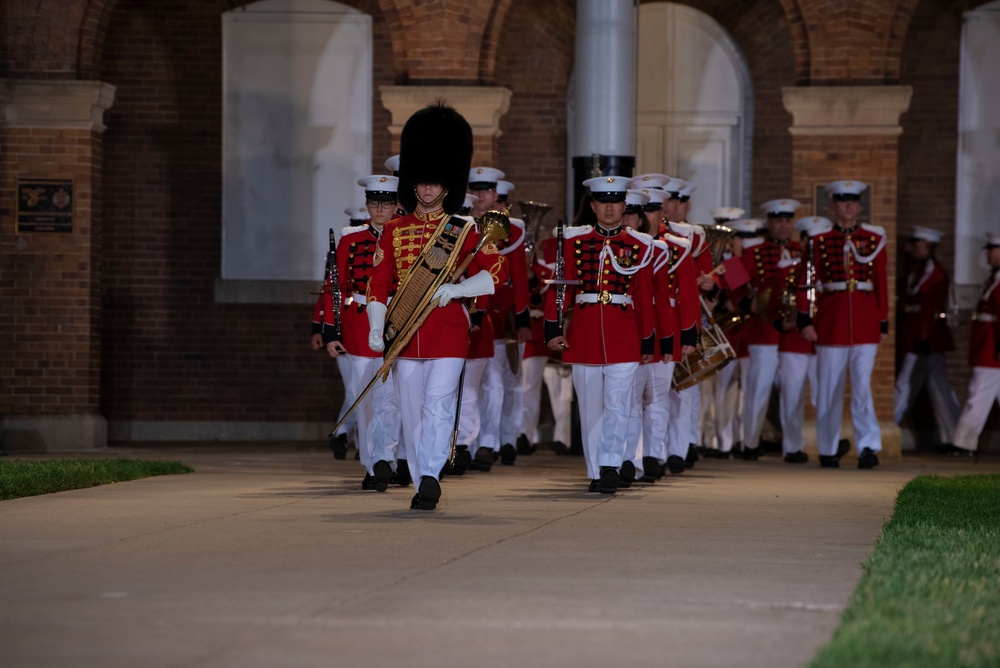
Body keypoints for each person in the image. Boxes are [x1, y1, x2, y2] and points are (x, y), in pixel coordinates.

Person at [365, 103, 508, 510]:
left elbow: (492, 274)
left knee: (439, 405)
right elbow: (378, 285)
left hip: (447, 327)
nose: (427, 190)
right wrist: (378, 327)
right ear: (412, 183)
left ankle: (429, 474)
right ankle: (418, 471)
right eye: (421, 183)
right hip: (404, 329)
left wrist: (458, 292)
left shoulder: (463, 230)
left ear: (447, 184)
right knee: (411, 408)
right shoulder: (393, 230)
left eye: (434, 183)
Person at [545, 175, 656, 493]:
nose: (609, 208)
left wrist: (647, 339)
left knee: (619, 404)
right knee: (590, 407)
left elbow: (645, 297)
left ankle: (610, 464)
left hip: (624, 332)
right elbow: (559, 288)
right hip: (585, 331)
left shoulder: (640, 246)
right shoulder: (574, 242)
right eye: (603, 202)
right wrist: (553, 328)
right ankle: (595, 468)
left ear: (624, 205)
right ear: (593, 206)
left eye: (616, 202)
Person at [319, 174, 404, 490]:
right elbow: (335, 287)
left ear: (396, 205)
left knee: (395, 400)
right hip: (358, 325)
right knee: (364, 400)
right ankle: (373, 467)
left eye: (386, 203)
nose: (379, 209)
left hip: (398, 322)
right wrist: (331, 331)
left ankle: (394, 460)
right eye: (374, 202)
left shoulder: (406, 235)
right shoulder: (350, 240)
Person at [798, 180, 887, 469]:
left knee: (862, 386)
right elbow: (806, 283)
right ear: (833, 206)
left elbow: (881, 283)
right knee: (828, 389)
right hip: (831, 321)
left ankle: (868, 446)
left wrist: (882, 320)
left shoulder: (874, 240)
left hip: (864, 321)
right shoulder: (818, 241)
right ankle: (827, 448)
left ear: (860, 206)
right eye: (842, 201)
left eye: (853, 201)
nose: (848, 206)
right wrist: (805, 319)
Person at [466, 167, 530, 469]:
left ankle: (488, 443)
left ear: (495, 194)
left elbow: (518, 276)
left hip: (496, 312)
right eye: (475, 190)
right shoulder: (458, 223)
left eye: (486, 191)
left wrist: (523, 319)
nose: (481, 197)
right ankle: (466, 442)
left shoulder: (511, 229)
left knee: (494, 382)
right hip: (463, 308)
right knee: (465, 383)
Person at [740, 198, 802, 460]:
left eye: (788, 220)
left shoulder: (802, 252)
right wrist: (746, 303)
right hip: (762, 330)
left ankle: (794, 447)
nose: (784, 225)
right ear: (769, 223)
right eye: (778, 220)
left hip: (794, 332)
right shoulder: (753, 251)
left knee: (794, 391)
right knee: (757, 388)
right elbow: (735, 279)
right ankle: (750, 443)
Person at [894, 225, 960, 447]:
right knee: (936, 386)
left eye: (917, 243)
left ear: (926, 245)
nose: (913, 248)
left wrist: (922, 336)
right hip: (919, 335)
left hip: (925, 338)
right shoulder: (920, 270)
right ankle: (953, 436)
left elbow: (927, 306)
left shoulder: (933, 271)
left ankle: (890, 424)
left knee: (906, 383)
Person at [772, 215, 827, 463]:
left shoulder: (831, 268)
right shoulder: (789, 267)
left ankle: (829, 443)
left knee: (824, 395)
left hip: (823, 340)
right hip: (794, 341)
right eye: (810, 241)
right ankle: (792, 447)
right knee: (792, 397)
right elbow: (776, 301)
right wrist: (785, 321)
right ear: (803, 240)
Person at [949, 233, 1000, 454]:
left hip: (992, 350)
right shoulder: (992, 279)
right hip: (987, 345)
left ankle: (963, 442)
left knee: (977, 393)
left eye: (992, 249)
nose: (988, 253)